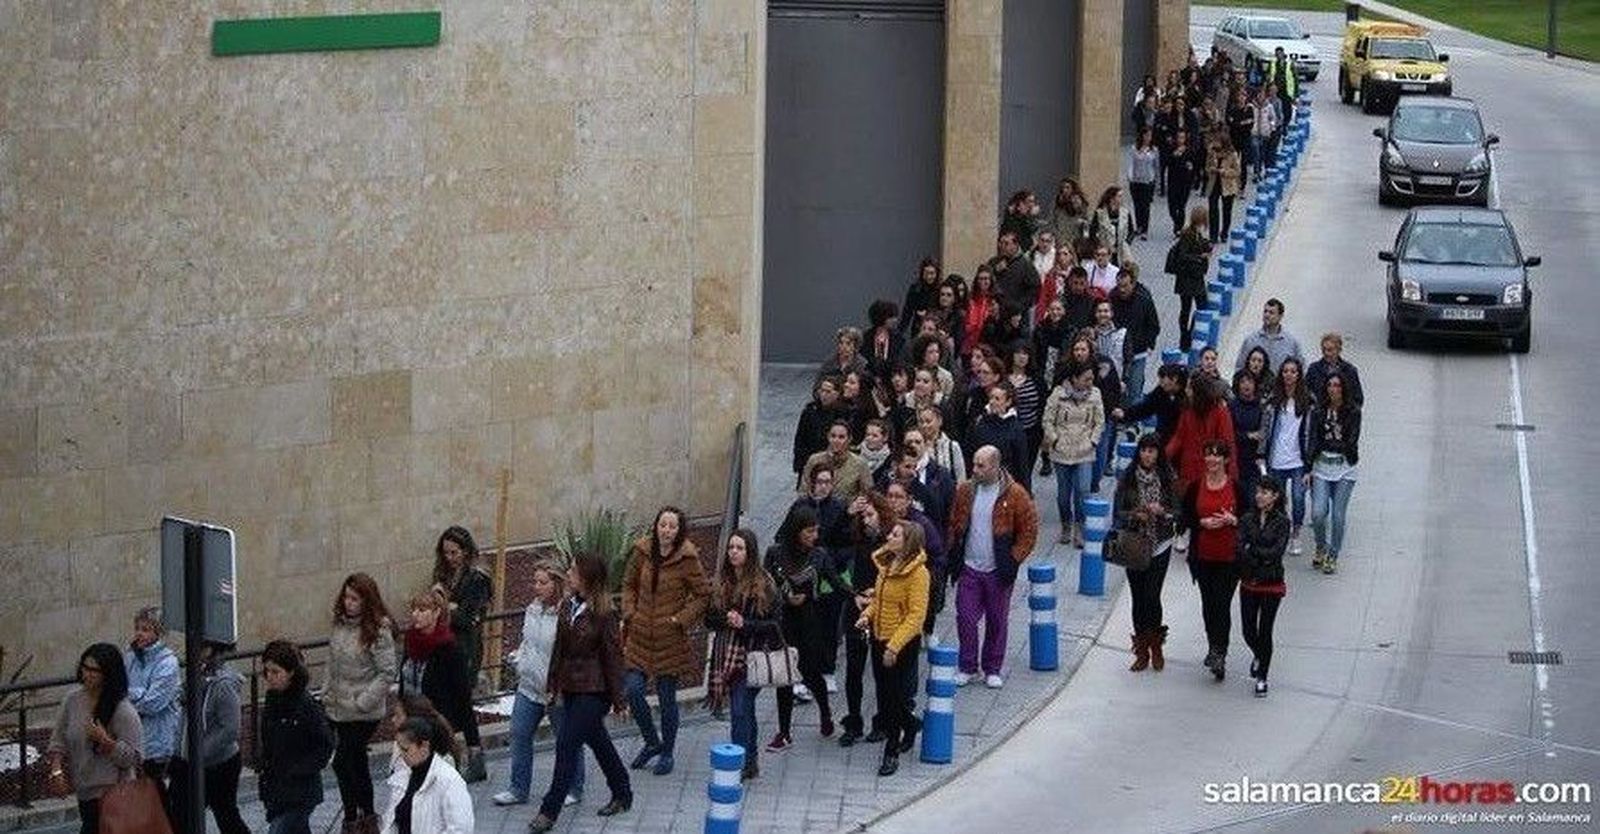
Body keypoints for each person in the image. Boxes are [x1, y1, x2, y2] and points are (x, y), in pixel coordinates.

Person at [527, 552, 634, 832]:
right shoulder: (568, 605)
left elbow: (613, 657)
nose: (569, 574)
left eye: (574, 570)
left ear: (587, 577)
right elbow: (559, 650)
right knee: (598, 741)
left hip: (594, 690)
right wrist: (553, 684)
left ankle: (549, 811)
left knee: (566, 745)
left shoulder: (604, 613)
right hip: (571, 686)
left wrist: (619, 699)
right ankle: (622, 791)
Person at [620, 506, 709, 776]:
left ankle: (667, 752)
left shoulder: (687, 558)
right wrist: (630, 612)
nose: (666, 530)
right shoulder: (642, 551)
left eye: (672, 526)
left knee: (666, 697)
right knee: (633, 690)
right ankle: (651, 742)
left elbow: (702, 595)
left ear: (679, 530)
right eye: (663, 524)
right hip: (639, 636)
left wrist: (680, 620)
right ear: (656, 526)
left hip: (669, 639)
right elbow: (628, 584)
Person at [493, 561, 585, 808]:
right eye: (535, 581)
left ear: (556, 583)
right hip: (529, 685)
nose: (537, 587)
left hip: (557, 689)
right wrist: (520, 660)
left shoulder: (569, 613)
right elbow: (528, 642)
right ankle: (518, 788)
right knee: (519, 732)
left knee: (566, 739)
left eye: (543, 582)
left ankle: (573, 787)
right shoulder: (533, 609)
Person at [948, 446, 1040, 688]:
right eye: (974, 464)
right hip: (969, 567)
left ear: (996, 467)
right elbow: (954, 522)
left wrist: (1013, 559)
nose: (975, 470)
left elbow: (1029, 530)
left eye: (981, 466)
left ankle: (992, 668)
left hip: (998, 570)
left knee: (997, 621)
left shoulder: (1016, 494)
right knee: (965, 618)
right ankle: (967, 666)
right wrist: (953, 552)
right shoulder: (965, 490)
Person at [764, 505, 844, 749]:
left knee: (811, 673)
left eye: (816, 531)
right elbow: (765, 587)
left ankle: (825, 711)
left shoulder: (819, 556)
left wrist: (856, 596)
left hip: (810, 621)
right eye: (809, 531)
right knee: (785, 677)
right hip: (783, 622)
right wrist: (785, 598)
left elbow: (835, 582)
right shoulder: (775, 554)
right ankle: (784, 731)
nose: (814, 536)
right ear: (796, 531)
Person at [704, 530, 781, 781]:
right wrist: (725, 619)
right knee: (745, 709)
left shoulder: (764, 583)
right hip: (725, 656)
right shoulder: (721, 581)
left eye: (740, 548)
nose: (734, 553)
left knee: (739, 709)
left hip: (752, 656)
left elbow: (774, 624)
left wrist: (744, 624)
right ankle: (750, 760)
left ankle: (737, 763)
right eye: (731, 548)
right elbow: (709, 619)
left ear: (750, 552)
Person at [856, 520, 931, 777]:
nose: (889, 537)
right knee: (887, 696)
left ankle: (892, 751)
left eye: (896, 535)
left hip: (902, 643)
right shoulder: (888, 565)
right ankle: (911, 724)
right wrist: (867, 615)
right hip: (880, 637)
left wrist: (894, 647)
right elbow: (880, 600)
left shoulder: (919, 574)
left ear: (908, 542)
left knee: (894, 696)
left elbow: (916, 616)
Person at [326, 573, 400, 830]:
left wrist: (364, 701)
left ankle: (354, 818)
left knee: (343, 761)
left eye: (355, 599)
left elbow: (387, 672)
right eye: (346, 597)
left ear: (367, 600)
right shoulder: (340, 624)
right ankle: (363, 818)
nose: (349, 603)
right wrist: (326, 692)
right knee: (355, 763)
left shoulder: (378, 630)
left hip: (363, 710)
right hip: (339, 705)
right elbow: (332, 662)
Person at [47, 643, 142, 834]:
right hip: (84, 792)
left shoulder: (123, 710)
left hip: (114, 795)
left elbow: (134, 758)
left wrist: (106, 742)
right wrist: (56, 771)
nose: (87, 674)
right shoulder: (72, 700)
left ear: (108, 674)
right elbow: (58, 740)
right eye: (85, 667)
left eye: (94, 670)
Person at [399, 591, 482, 784]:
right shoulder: (411, 640)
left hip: (437, 723)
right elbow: (404, 680)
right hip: (411, 722)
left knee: (435, 782)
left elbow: (462, 696)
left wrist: (473, 743)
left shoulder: (450, 649)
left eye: (422, 610)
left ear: (436, 613)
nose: (415, 614)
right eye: (414, 609)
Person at [1113, 434, 1179, 672]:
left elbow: (1177, 511)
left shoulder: (1168, 478)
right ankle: (1141, 650)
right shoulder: (1128, 478)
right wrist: (1135, 515)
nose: (1147, 455)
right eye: (1144, 450)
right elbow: (1118, 512)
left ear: (1158, 454)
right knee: (1138, 597)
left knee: (1152, 596)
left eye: (1152, 451)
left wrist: (1163, 512)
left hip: (1160, 543)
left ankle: (1156, 644)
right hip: (1134, 544)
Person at [169, 639, 249, 834]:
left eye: (200, 648)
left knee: (226, 815)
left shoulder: (223, 684)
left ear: (211, 650)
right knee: (178, 816)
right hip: (186, 761)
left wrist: (200, 752)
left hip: (217, 764)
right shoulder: (198, 674)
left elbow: (230, 729)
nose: (191, 651)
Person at [838, 491, 897, 747]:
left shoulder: (890, 542)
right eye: (863, 516)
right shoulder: (856, 539)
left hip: (880, 609)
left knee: (881, 670)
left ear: (881, 515)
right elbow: (832, 544)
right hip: (857, 606)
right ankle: (853, 721)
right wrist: (854, 595)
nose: (866, 520)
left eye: (870, 515)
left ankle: (882, 721)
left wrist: (876, 596)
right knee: (854, 670)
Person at [259, 640, 335, 834]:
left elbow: (325, 745)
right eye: (266, 671)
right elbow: (268, 740)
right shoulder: (272, 700)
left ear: (291, 672)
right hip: (277, 789)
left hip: (300, 791)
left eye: (275, 672)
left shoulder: (305, 704)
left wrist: (299, 769)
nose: (269, 677)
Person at [1182, 441, 1240, 682]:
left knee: (1222, 604)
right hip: (1203, 557)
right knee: (1208, 604)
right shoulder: (1196, 487)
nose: (1212, 460)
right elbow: (1185, 517)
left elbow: (1248, 517)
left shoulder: (1236, 487)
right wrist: (1200, 523)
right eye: (1208, 455)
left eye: (1217, 456)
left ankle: (1220, 652)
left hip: (1229, 558)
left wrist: (1233, 520)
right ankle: (1213, 646)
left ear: (1226, 460)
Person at [1237, 476, 1290, 697]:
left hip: (1271, 582)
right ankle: (1259, 654)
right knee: (1248, 630)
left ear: (1275, 496)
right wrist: (1256, 553)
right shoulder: (1247, 518)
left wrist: (1254, 550)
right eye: (1258, 491)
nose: (1260, 496)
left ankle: (1262, 677)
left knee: (1265, 630)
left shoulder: (1282, 521)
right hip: (1249, 579)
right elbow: (1240, 546)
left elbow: (1276, 552)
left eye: (1265, 492)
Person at [124, 607, 179, 816]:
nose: (139, 633)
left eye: (146, 629)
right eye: (138, 628)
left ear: (158, 632)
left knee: (155, 792)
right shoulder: (130, 656)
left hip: (157, 741)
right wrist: (139, 693)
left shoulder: (168, 662)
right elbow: (118, 690)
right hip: (134, 739)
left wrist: (130, 696)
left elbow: (153, 703)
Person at [1042, 361, 1104, 547]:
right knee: (1063, 494)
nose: (1090, 382)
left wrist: (1093, 441)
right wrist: (1054, 440)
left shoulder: (1095, 394)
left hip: (1085, 450)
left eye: (1092, 379)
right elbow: (1047, 420)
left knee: (1083, 490)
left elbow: (1099, 422)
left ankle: (1080, 527)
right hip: (1062, 451)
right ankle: (1066, 523)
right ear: (1074, 379)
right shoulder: (1058, 394)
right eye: (1086, 379)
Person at [379, 717, 473, 834]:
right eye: (399, 749)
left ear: (424, 746)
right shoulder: (403, 776)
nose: (401, 755)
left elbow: (461, 829)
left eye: (405, 749)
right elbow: (391, 821)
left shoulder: (449, 780)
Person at [1307, 373, 1361, 574]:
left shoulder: (1353, 412)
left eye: (1337, 385)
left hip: (1344, 468)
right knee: (1318, 513)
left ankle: (1333, 553)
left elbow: (1350, 441)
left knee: (1338, 515)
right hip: (1321, 467)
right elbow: (1314, 439)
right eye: (1330, 385)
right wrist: (1308, 466)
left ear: (1343, 389)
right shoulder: (1318, 411)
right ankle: (1321, 545)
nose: (1333, 389)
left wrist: (1329, 443)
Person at [430, 526, 492, 701]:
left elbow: (468, 618)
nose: (449, 557)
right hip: (442, 642)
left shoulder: (477, 578)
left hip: (465, 647)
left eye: (454, 553)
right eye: (446, 553)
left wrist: (445, 606)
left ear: (465, 551)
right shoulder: (444, 572)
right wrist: (450, 606)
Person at [1261, 357, 1311, 556]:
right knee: (1278, 500)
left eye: (1293, 371)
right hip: (1277, 458)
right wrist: (1262, 454)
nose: (1289, 375)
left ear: (1299, 375)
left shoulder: (1308, 401)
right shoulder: (1273, 400)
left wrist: (1310, 463)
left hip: (1298, 459)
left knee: (1298, 497)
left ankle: (1296, 532)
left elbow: (1311, 432)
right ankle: (1280, 532)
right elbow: (1266, 428)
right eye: (1285, 371)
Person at [968, 379, 1031, 495]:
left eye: (997, 399)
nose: (992, 402)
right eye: (991, 398)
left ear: (1008, 402)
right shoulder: (980, 422)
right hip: (980, 482)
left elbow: (1021, 465)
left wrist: (1027, 494)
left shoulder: (1015, 428)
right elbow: (970, 452)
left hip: (1004, 486)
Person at [1111, 266, 1161, 401]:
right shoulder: (1112, 298)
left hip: (1137, 353)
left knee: (1135, 389)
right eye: (1119, 286)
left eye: (1125, 286)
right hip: (1117, 354)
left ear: (1133, 284)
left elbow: (1154, 324)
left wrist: (1149, 344)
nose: (1122, 290)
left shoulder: (1144, 299)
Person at [1168, 205, 1212, 352]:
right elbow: (1183, 255)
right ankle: (1185, 337)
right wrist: (1200, 257)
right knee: (1191, 308)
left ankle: (1189, 335)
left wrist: (1207, 245)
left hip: (1194, 277)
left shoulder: (1196, 233)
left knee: (1194, 307)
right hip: (1188, 278)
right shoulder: (1187, 234)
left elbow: (1198, 245)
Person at [1114, 363, 1188, 444]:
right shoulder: (1161, 392)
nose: (1161, 383)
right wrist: (1125, 414)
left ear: (1174, 379)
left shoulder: (1188, 395)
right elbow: (1145, 407)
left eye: (1162, 380)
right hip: (1163, 436)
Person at [802, 420, 874, 503]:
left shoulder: (859, 464)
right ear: (828, 437)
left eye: (841, 437)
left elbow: (868, 494)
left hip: (847, 509)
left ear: (849, 439)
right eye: (833, 436)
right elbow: (803, 490)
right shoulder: (815, 460)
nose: (836, 440)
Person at [792, 375, 845, 487]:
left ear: (837, 394)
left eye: (828, 392)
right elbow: (800, 438)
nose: (824, 395)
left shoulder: (843, 413)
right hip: (809, 459)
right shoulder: (810, 411)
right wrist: (799, 464)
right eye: (822, 391)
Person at [1234, 298, 1304, 376]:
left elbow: (1301, 369)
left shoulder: (1292, 343)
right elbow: (1240, 367)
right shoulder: (1251, 340)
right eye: (1265, 311)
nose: (1267, 315)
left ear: (1280, 316)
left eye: (1271, 313)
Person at [1230, 370, 1266, 511]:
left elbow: (1265, 431)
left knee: (1253, 502)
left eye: (1250, 381)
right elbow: (1228, 434)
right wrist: (1248, 436)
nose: (1246, 385)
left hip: (1255, 461)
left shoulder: (1261, 406)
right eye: (1243, 381)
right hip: (1236, 459)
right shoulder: (1232, 406)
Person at [991, 230, 1041, 328]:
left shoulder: (1026, 265)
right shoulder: (994, 262)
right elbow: (985, 280)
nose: (1002, 246)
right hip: (997, 313)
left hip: (1018, 316)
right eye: (1001, 243)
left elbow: (1035, 290)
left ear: (1015, 245)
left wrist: (1019, 307)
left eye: (1006, 243)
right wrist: (995, 271)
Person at [1304, 331, 1365, 407]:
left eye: (1330, 350)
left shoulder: (1350, 370)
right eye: (1324, 350)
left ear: (1339, 350)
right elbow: (1305, 393)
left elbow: (1358, 398)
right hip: (1319, 412)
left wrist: (1349, 410)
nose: (1326, 353)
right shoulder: (1314, 369)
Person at [1205, 132, 1242, 243]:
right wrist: (1210, 169)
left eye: (1218, 142)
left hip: (1227, 185)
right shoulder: (1211, 152)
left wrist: (1224, 171)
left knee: (1226, 210)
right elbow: (1206, 166)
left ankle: (1224, 232)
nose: (1215, 144)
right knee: (1213, 208)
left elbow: (1237, 171)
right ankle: (1213, 235)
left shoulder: (1232, 154)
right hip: (1214, 183)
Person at [917, 405, 968, 484]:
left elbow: (961, 478)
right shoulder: (917, 446)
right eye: (921, 422)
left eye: (928, 421)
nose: (924, 425)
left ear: (939, 421)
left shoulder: (952, 446)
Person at [899, 257, 944, 340]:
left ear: (937, 273)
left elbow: (944, 309)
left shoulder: (941, 289)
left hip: (937, 327)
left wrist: (928, 313)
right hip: (918, 327)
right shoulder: (915, 289)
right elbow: (907, 311)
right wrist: (900, 332)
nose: (929, 276)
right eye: (926, 273)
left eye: (932, 273)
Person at [1165, 131, 1198, 236]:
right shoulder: (1171, 149)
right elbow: (1166, 162)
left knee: (1181, 206)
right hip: (1173, 181)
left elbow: (1194, 165)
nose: (1180, 140)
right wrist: (1174, 155)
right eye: (1179, 137)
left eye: (1182, 137)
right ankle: (1177, 222)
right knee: (1172, 208)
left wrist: (1191, 169)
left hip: (1185, 182)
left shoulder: (1189, 151)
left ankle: (1178, 228)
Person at [1090, 187, 1134, 267]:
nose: (1121, 199)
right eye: (1119, 196)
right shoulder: (1100, 213)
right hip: (1105, 249)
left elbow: (1131, 231)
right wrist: (1098, 245)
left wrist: (1127, 242)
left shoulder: (1125, 213)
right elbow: (1092, 232)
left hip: (1121, 250)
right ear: (1112, 198)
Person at [1129, 129, 1159, 239]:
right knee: (1137, 205)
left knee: (1145, 206)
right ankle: (1139, 226)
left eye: (1150, 136)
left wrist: (1156, 181)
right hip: (1136, 181)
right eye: (1146, 135)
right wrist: (1130, 178)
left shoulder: (1154, 150)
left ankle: (1145, 230)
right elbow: (1131, 164)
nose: (1148, 138)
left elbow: (1156, 166)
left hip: (1148, 181)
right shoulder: (1134, 148)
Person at [863, 299, 903, 382]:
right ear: (882, 317)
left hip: (891, 378)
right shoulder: (866, 337)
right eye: (891, 317)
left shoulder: (898, 338)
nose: (895, 320)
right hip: (870, 379)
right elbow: (865, 358)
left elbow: (898, 359)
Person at [1050, 177, 1092, 248]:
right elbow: (1052, 221)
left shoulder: (1079, 202)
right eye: (1063, 188)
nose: (1065, 190)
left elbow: (1086, 220)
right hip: (1061, 236)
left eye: (1067, 187)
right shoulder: (1058, 203)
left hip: (1075, 237)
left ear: (1073, 188)